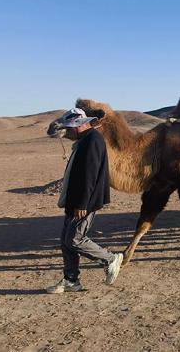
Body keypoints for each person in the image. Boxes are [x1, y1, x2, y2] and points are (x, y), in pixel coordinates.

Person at [47, 108, 123, 294]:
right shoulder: (85, 140)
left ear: (78, 126)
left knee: (74, 239)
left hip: (84, 201)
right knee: (66, 241)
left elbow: (89, 175)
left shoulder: (92, 141)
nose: (67, 132)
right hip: (74, 199)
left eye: (69, 129)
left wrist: (82, 203)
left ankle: (110, 259)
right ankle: (71, 280)